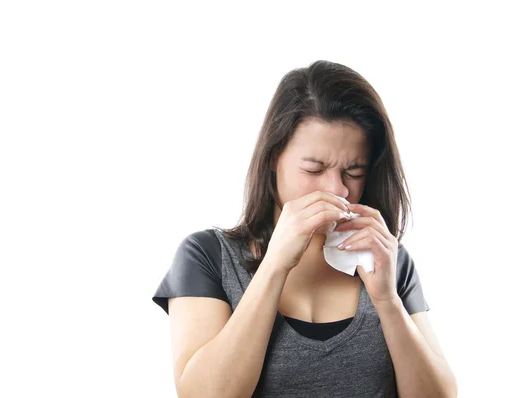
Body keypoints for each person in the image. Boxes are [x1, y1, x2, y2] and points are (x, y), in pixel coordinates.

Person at [152, 60, 458, 397]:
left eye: (353, 172)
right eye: (314, 169)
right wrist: (274, 265)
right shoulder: (207, 256)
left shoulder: (387, 260)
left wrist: (386, 299)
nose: (337, 190)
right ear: (273, 157)